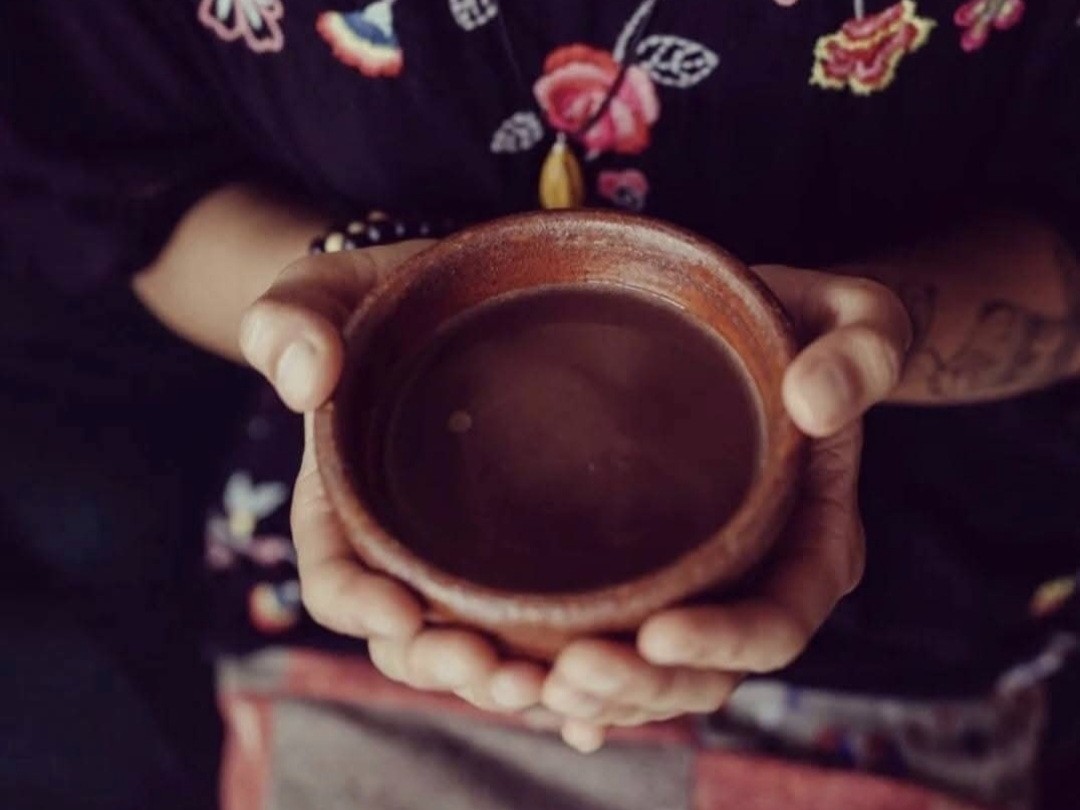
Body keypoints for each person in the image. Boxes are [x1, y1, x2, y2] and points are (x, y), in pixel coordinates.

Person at [2, 1, 1078, 808]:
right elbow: (120, 185)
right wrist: (339, 306)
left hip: (917, 621)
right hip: (357, 596)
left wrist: (871, 345)